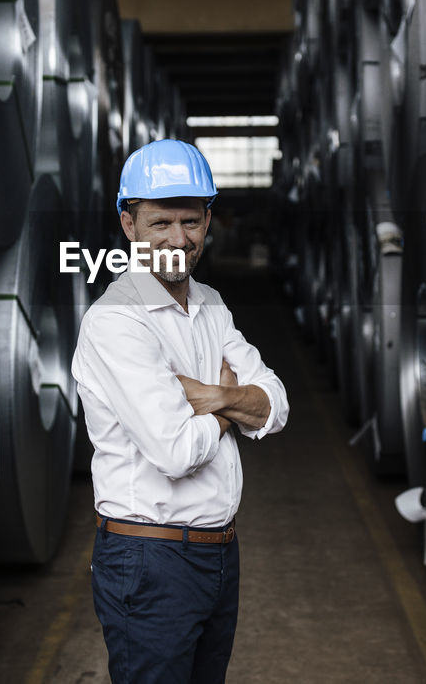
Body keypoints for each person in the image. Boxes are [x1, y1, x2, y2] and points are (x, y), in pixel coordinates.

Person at [72, 139, 290, 684]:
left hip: (218, 554)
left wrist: (211, 397)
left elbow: (276, 404)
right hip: (148, 560)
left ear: (209, 219)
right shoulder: (117, 322)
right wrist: (230, 411)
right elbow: (174, 450)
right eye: (159, 223)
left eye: (190, 221)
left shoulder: (212, 304)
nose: (177, 239)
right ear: (128, 225)